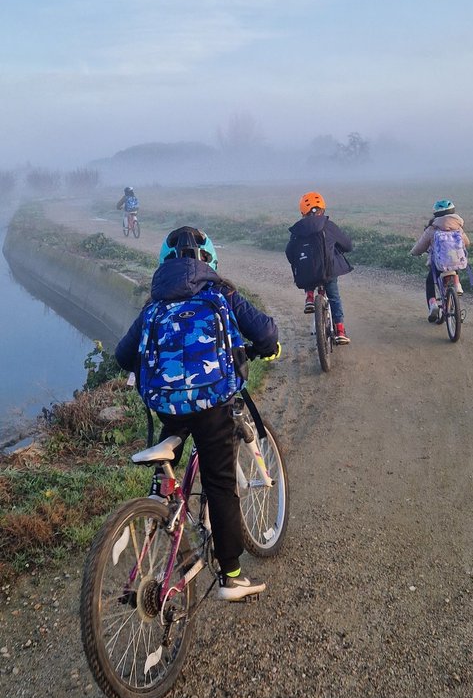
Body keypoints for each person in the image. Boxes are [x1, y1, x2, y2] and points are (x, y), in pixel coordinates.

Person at [115, 227, 280, 601]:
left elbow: (124, 355)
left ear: (164, 264)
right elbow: (266, 332)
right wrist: (269, 348)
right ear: (210, 261)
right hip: (214, 405)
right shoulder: (222, 294)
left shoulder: (153, 305)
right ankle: (232, 577)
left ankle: (159, 509)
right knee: (221, 483)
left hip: (168, 407)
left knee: (168, 463)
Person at [285, 191, 353, 344]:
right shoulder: (328, 225)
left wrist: (296, 262)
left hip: (307, 274)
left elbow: (289, 252)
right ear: (322, 208)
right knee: (334, 297)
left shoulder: (298, 229)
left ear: (303, 211)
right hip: (328, 271)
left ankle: (309, 296)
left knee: (307, 269)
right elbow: (347, 245)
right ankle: (340, 329)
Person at [410, 199, 470, 322]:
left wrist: (414, 253)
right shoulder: (458, 227)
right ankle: (457, 285)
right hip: (454, 263)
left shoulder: (432, 229)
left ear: (436, 214)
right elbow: (467, 243)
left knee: (430, 282)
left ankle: (433, 305)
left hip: (438, 264)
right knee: (454, 264)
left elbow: (420, 246)